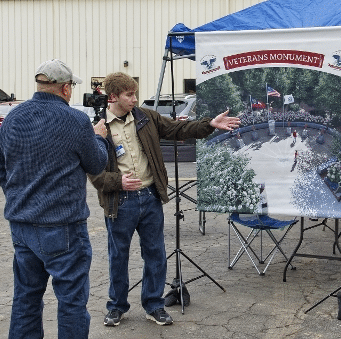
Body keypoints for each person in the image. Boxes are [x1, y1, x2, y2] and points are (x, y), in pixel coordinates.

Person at [89, 72, 240, 327]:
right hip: (120, 202)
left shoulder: (146, 118)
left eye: (135, 93)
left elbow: (177, 128)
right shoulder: (98, 127)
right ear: (112, 96)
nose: (135, 99)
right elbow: (92, 170)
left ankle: (154, 305)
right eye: (129, 95)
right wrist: (117, 182)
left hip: (149, 197)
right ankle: (117, 307)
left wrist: (209, 125)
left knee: (156, 254)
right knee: (118, 256)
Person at [0, 59, 109, 339]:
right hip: (63, 226)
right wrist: (100, 138)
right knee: (71, 302)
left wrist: (23, 199)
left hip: (22, 225)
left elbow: (0, 171)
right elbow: (97, 165)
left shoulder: (13, 118)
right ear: (66, 88)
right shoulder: (77, 120)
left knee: (26, 299)